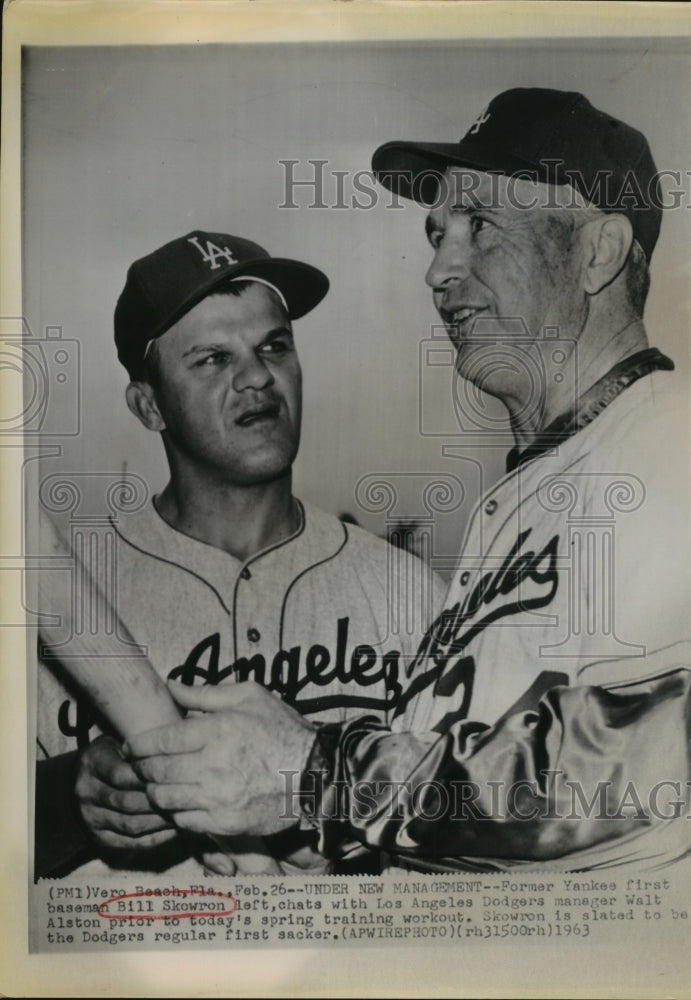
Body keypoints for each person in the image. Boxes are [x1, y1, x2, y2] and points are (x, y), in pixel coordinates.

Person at [126, 91, 691, 873]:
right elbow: (470, 826)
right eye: (437, 234)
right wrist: (335, 858)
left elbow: (629, 785)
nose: (437, 269)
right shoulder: (521, 502)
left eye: (481, 226)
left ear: (598, 253)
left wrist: (311, 775)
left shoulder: (681, 451)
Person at [35, 230, 444, 878]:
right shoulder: (60, 587)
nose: (257, 376)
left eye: (273, 346)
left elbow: (479, 825)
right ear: (148, 405)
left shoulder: (407, 592)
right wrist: (64, 798)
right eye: (212, 359)